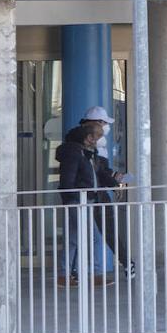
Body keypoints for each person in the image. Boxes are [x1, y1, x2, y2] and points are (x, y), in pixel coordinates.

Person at [56, 121, 114, 287]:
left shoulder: (88, 153)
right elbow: (68, 180)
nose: (100, 140)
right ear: (89, 137)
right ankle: (95, 274)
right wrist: (75, 196)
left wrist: (113, 182)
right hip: (78, 201)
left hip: (84, 200)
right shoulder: (75, 153)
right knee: (94, 238)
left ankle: (64, 275)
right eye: (98, 136)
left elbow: (97, 174)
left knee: (74, 239)